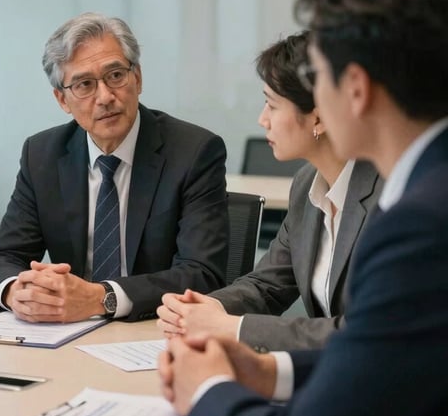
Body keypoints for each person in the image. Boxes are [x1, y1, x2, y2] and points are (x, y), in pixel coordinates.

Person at [159, 0, 448, 416]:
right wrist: (269, 370)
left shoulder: (422, 225)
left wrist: (207, 391)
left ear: (356, 89)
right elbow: (395, 352)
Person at [0, 12, 228, 323]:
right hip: (67, 334)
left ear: (137, 78)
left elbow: (201, 273)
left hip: (152, 331)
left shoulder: (193, 152)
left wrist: (101, 298)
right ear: (62, 99)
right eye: (84, 84)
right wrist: (18, 291)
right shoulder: (42, 154)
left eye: (115, 76)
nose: (105, 97)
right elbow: (2, 258)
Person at [158, 31, 382, 351]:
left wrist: (233, 327)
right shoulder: (307, 184)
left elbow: (366, 330)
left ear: (318, 116)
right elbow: (267, 286)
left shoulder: (387, 195)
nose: (262, 120)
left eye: (272, 105)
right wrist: (205, 308)